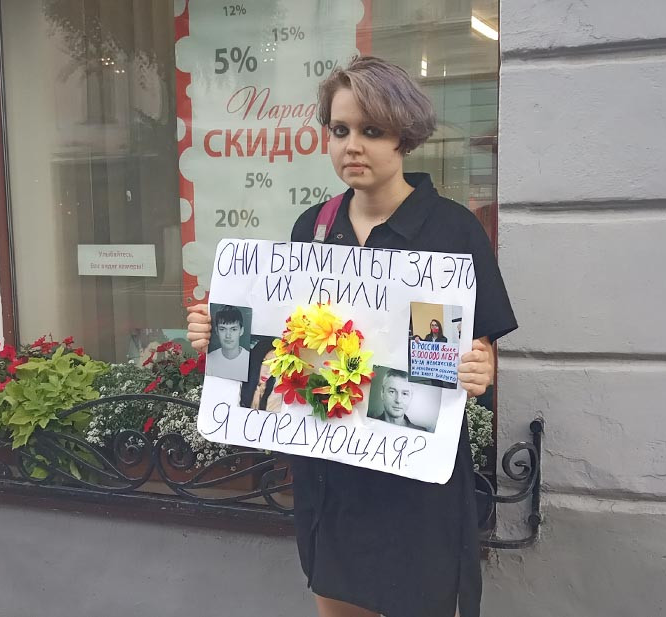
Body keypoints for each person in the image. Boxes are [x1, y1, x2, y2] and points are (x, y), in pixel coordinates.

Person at [187, 55, 517, 617]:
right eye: (340, 130)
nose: (353, 146)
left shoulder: (451, 230)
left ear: (404, 137)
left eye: (372, 131)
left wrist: (482, 366)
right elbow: (286, 342)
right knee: (338, 601)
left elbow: (474, 348)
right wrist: (218, 334)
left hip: (415, 477)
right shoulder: (313, 228)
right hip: (331, 469)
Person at [205, 306, 249, 382]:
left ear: (241, 331)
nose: (228, 335)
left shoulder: (249, 359)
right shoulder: (210, 359)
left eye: (233, 329)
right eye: (222, 329)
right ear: (217, 331)